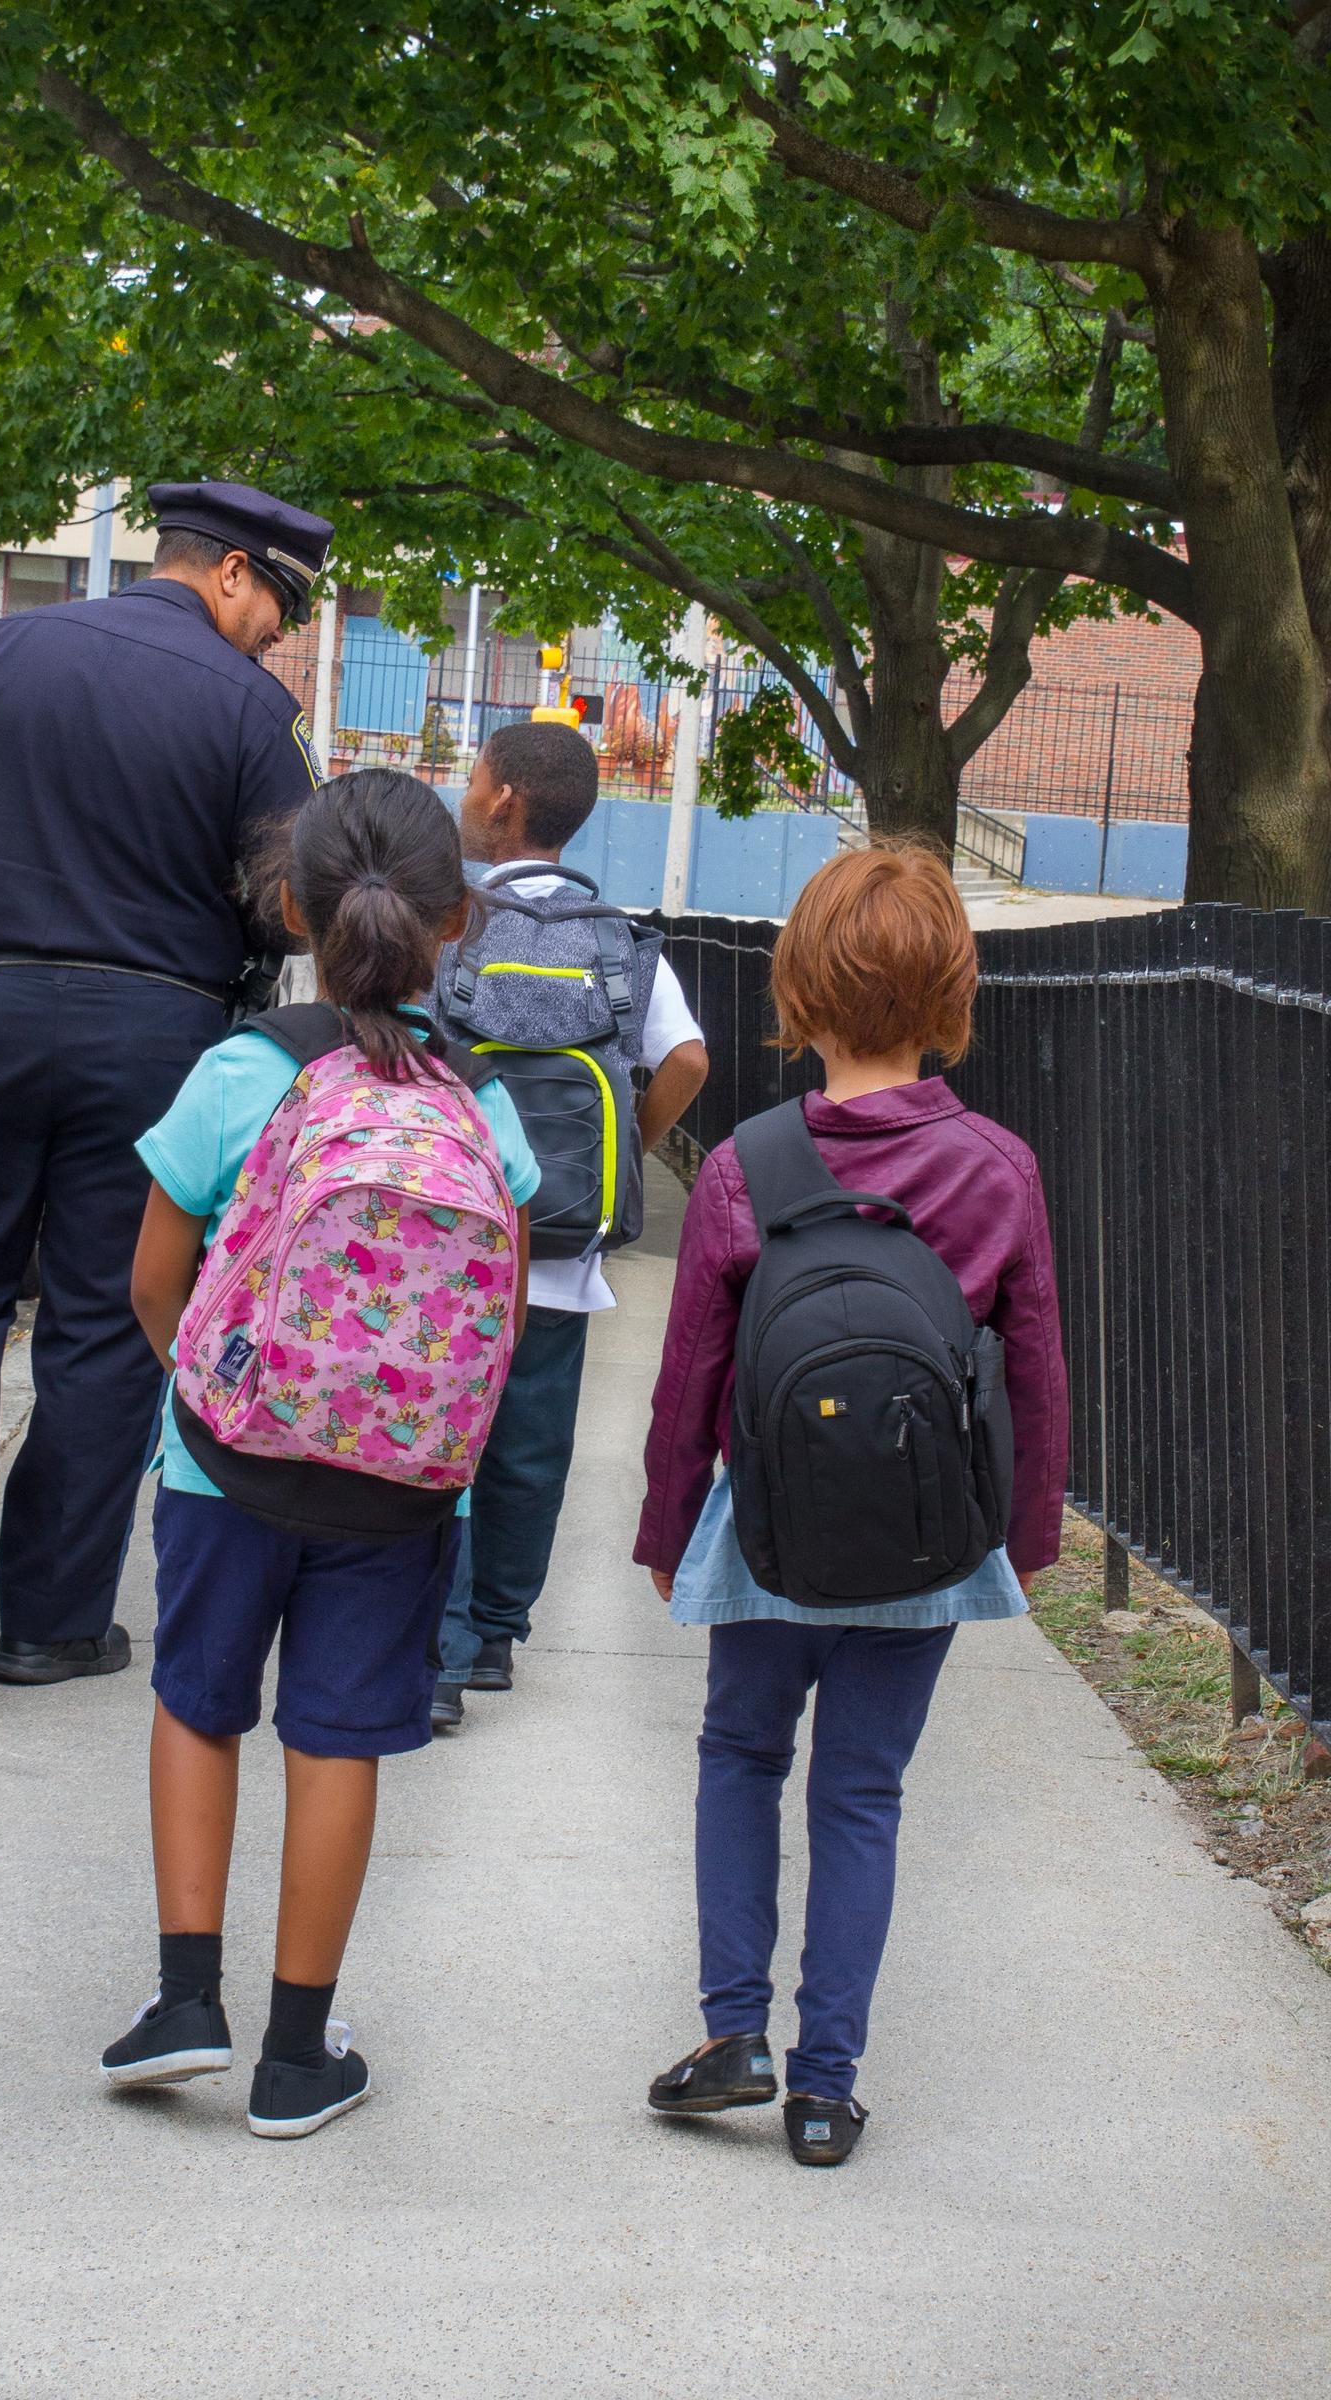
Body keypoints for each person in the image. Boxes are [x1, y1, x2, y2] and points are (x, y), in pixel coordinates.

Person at [98, 771, 540, 2138]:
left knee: (198, 1701)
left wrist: (211, 1395)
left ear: (289, 907)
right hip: (398, 1494)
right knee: (338, 1740)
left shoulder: (244, 1073)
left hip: (222, 1468)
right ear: (454, 924)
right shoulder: (480, 1109)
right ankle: (299, 2055)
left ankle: (185, 2000)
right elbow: (501, 1316)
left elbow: (151, 1281)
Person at [635, 844, 1066, 2167]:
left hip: (769, 1528)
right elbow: (1036, 1365)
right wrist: (1028, 1535)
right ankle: (828, 2088)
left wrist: (669, 1528)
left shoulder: (746, 1167)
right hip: (930, 1540)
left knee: (740, 1758)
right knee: (864, 1791)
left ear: (801, 991)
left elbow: (693, 1373)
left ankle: (733, 2034)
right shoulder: (998, 1168)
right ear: (950, 991)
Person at [0, 480, 334, 1696]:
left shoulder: (3, 649)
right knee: (109, 1317)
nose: (277, 632)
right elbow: (286, 904)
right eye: (277, 602)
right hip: (158, 1037)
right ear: (230, 571)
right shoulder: (252, 712)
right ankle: (53, 1625)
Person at [429, 721, 708, 1729]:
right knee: (530, 1446)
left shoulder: (455, 925)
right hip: (560, 1250)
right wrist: (626, 1144)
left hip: (457, 1243)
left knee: (447, 1438)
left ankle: (444, 1646)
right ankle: (497, 1631)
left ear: (500, 799)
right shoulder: (615, 939)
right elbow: (685, 1060)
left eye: (471, 779)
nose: (463, 794)